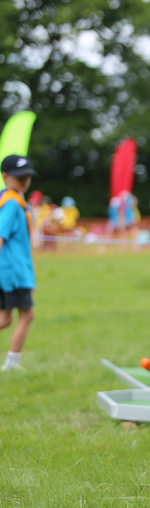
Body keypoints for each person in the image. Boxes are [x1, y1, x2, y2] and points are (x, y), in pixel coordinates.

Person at [0, 155, 38, 372]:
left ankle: (11, 364)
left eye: (27, 177)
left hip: (12, 271)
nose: (24, 181)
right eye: (19, 177)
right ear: (5, 176)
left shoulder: (10, 200)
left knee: (5, 319)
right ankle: (12, 365)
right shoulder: (13, 204)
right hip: (13, 272)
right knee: (27, 315)